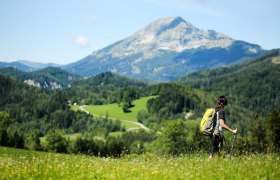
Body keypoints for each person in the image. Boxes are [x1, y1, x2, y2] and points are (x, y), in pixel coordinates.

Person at [208, 96, 237, 160]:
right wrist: (232, 131)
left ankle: (211, 167)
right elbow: (222, 124)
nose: (224, 106)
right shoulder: (221, 111)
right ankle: (206, 168)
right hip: (217, 135)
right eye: (224, 104)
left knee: (214, 154)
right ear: (222, 104)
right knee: (213, 156)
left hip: (213, 134)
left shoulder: (216, 111)